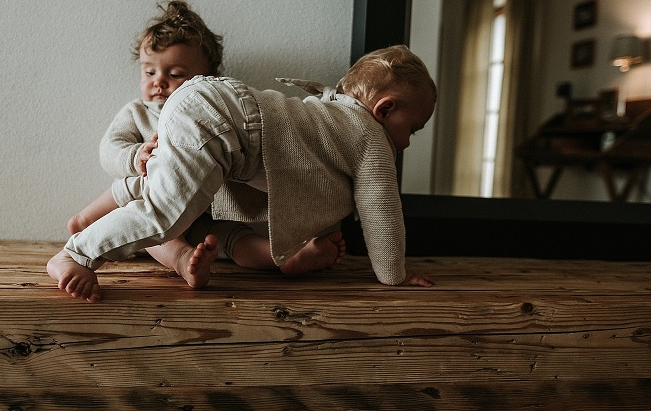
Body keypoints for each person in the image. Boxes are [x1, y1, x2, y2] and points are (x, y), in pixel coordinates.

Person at [48, 44, 435, 302]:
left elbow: (304, 177)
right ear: (384, 109)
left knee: (173, 206)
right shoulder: (372, 139)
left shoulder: (330, 115)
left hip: (216, 106)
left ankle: (88, 237)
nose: (408, 143)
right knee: (163, 213)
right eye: (413, 129)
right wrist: (393, 275)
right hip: (222, 120)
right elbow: (381, 210)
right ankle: (76, 253)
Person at [65, 0, 345, 293]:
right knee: (155, 225)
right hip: (158, 203)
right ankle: (180, 258)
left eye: (174, 74)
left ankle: (284, 257)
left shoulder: (209, 113)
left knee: (232, 238)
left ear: (206, 79)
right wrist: (134, 156)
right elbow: (110, 148)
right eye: (149, 72)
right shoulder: (137, 112)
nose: (159, 82)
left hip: (208, 207)